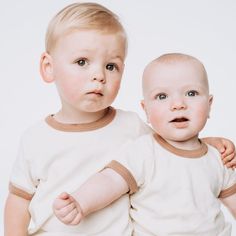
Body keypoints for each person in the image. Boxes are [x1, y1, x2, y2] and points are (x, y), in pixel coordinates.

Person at [3, 1, 235, 235]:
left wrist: (208, 144)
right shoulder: (36, 139)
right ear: (48, 67)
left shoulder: (131, 126)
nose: (99, 75)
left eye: (111, 66)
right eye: (82, 62)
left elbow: (172, 143)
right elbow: (18, 201)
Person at [53, 53, 236, 236]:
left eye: (191, 93)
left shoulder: (218, 157)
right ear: (146, 110)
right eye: (162, 96)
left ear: (209, 105)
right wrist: (81, 202)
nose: (178, 104)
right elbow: (109, 180)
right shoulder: (143, 151)